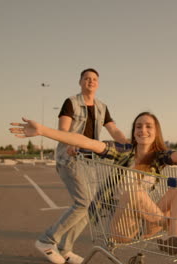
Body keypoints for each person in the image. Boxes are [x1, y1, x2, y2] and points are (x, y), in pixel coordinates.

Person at [10, 112, 177, 256]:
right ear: (134, 131)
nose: (142, 130)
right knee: (132, 190)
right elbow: (83, 139)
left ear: (155, 132)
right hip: (120, 227)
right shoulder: (120, 153)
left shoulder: (159, 158)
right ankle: (173, 227)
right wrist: (43, 130)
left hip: (147, 222)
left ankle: (173, 237)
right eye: (138, 126)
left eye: (148, 126)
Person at [34, 68, 129, 264]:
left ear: (98, 84)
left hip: (90, 162)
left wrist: (128, 145)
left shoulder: (102, 107)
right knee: (83, 202)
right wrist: (70, 143)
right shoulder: (71, 102)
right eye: (86, 78)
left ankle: (66, 250)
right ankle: (46, 240)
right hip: (70, 159)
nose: (90, 81)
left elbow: (113, 129)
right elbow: (63, 128)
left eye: (94, 79)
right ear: (80, 82)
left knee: (91, 206)